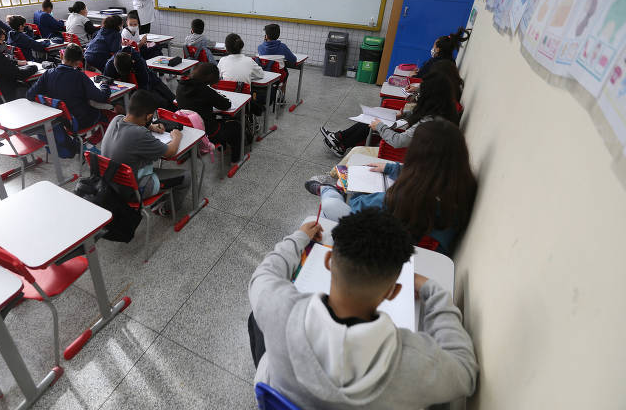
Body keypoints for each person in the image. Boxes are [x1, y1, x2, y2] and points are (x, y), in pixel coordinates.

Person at [247, 208, 478, 409]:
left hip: (280, 397)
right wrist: (434, 291)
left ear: (328, 261)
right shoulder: (412, 363)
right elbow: (465, 372)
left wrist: (299, 237)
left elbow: (264, 274)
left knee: (255, 319)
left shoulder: (277, 307)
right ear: (393, 291)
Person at [307, 119, 477, 256]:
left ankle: (327, 190)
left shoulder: (399, 199)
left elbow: (354, 208)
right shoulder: (461, 189)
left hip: (373, 253)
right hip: (420, 261)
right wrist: (392, 168)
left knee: (329, 207)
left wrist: (359, 191)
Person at [320, 71, 458, 157]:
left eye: (421, 94)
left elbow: (398, 141)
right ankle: (340, 140)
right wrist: (404, 114)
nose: (418, 97)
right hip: (410, 143)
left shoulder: (430, 122)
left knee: (374, 123)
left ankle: (340, 141)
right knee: (374, 119)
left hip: (404, 153)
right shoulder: (442, 109)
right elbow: (421, 113)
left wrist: (380, 126)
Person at [101, 90, 189, 214]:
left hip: (112, 183)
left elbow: (133, 125)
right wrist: (176, 137)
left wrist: (151, 126)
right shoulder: (139, 134)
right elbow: (170, 152)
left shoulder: (117, 119)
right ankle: (166, 209)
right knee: (186, 176)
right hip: (133, 190)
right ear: (148, 117)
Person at [26, 44, 111, 130]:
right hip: (79, 122)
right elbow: (101, 97)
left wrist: (47, 99)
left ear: (61, 56)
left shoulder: (47, 74)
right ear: (78, 63)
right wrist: (104, 85)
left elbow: (29, 95)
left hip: (58, 121)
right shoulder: (80, 76)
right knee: (102, 112)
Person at [175, 62, 242, 164]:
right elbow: (226, 105)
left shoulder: (180, 86)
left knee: (218, 120)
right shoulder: (204, 90)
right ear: (209, 77)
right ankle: (236, 160)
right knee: (236, 126)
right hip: (208, 134)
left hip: (189, 131)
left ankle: (223, 147)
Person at [105, 49, 175, 111]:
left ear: (132, 62)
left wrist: (143, 98)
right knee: (161, 103)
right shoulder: (109, 66)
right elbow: (107, 84)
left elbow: (144, 84)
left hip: (149, 82)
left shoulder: (138, 61)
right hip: (126, 92)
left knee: (171, 98)